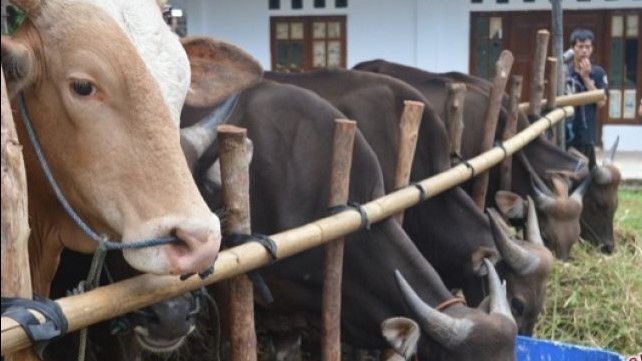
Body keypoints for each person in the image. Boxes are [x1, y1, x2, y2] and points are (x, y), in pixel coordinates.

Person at [565, 28, 608, 169]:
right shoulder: (565, 73)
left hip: (587, 133)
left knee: (588, 175)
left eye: (588, 47)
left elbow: (601, 102)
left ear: (592, 49)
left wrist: (586, 78)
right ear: (572, 49)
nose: (584, 51)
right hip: (567, 133)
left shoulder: (598, 73)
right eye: (580, 47)